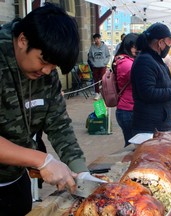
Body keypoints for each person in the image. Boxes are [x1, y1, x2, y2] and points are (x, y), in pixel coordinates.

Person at [0, 3, 91, 215]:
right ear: (22, 40)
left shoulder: (46, 74)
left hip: (15, 181)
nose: (47, 71)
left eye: (54, 66)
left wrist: (81, 173)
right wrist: (42, 160)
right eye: (44, 61)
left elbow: (59, 123)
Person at [131, 23, 171, 135]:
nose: (170, 45)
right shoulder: (145, 61)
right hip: (150, 126)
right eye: (169, 41)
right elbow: (148, 93)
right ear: (160, 42)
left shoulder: (155, 59)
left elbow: (162, 87)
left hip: (159, 124)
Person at [112, 33, 139, 147]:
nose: (137, 50)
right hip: (127, 110)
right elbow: (140, 76)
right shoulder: (125, 63)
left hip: (129, 109)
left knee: (132, 145)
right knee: (131, 147)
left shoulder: (128, 60)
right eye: (134, 47)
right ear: (127, 46)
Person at [88, 33, 111, 100]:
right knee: (96, 80)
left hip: (102, 66)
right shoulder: (92, 47)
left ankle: (103, 92)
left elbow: (108, 56)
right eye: (95, 39)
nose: (97, 40)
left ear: (100, 38)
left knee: (102, 79)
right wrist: (93, 63)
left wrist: (105, 62)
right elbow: (90, 57)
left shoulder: (104, 47)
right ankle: (97, 93)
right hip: (95, 66)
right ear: (94, 40)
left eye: (98, 38)